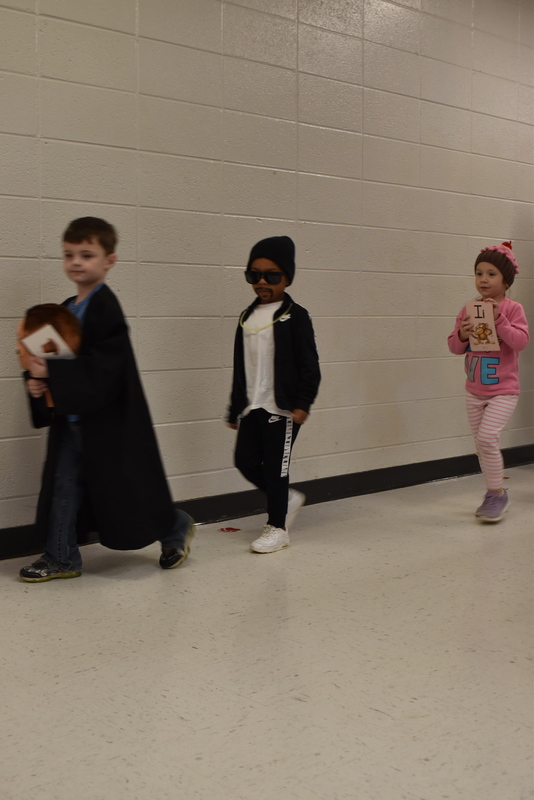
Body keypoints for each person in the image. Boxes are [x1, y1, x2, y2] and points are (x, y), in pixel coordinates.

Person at [19, 217, 194, 582]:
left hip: (108, 424)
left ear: (109, 260)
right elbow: (51, 360)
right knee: (63, 487)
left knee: (131, 490)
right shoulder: (66, 310)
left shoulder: (105, 308)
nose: (77, 262)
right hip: (72, 420)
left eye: (87, 254)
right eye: (69, 254)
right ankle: (62, 557)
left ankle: (175, 526)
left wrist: (53, 374)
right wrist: (37, 383)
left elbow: (106, 369)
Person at [226, 235, 321, 553]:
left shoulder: (296, 316)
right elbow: (241, 367)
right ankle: (288, 499)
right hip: (252, 405)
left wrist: (303, 403)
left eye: (272, 275)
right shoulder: (246, 317)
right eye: (254, 275)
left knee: (275, 469)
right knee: (244, 461)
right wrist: (234, 406)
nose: (262, 281)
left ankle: (277, 527)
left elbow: (310, 364)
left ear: (287, 278)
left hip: (283, 408)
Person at [447, 241, 529, 522]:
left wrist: (501, 321)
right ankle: (493, 492)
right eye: (479, 273)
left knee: (487, 437)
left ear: (506, 280)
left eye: (491, 273)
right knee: (480, 444)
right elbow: (454, 348)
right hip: (474, 391)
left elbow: (520, 342)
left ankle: (496, 494)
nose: (483, 279)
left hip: (503, 391)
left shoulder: (513, 308)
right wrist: (462, 334)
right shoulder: (468, 309)